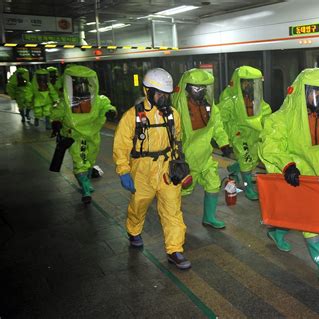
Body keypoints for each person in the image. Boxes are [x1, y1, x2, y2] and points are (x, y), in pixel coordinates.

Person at [258, 68, 319, 285]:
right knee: (310, 224)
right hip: (297, 179)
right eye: (316, 92)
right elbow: (271, 145)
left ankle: (277, 231)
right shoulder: (282, 119)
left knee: (296, 215)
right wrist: (288, 166)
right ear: (302, 91)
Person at [113, 68, 192, 270]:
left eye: (166, 94)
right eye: (159, 94)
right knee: (139, 205)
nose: (163, 98)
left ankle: (175, 250)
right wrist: (123, 170)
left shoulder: (173, 115)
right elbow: (121, 144)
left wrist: (179, 165)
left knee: (172, 210)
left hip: (166, 169)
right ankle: (133, 230)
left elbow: (177, 140)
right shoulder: (132, 116)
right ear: (148, 91)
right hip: (142, 170)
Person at [172, 68, 231, 229]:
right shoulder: (178, 108)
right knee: (179, 192)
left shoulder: (209, 106)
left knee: (213, 183)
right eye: (197, 88)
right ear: (187, 88)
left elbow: (217, 126)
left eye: (204, 88)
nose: (201, 92)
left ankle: (209, 217)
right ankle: (172, 219)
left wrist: (224, 143)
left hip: (205, 156)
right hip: (186, 160)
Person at [50, 65, 116, 204]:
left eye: (83, 84)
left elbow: (106, 105)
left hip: (92, 137)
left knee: (89, 161)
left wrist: (110, 110)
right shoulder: (65, 103)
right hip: (75, 137)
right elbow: (56, 113)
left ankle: (86, 181)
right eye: (77, 85)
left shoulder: (97, 100)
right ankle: (86, 190)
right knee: (80, 163)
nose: (80, 88)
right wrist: (55, 122)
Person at [217, 66, 271, 200]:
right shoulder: (230, 101)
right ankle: (248, 188)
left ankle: (235, 168)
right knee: (246, 160)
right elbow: (219, 120)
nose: (250, 86)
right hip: (239, 135)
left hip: (254, 133)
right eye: (247, 82)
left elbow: (264, 113)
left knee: (253, 159)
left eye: (253, 82)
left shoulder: (255, 99)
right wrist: (225, 140)